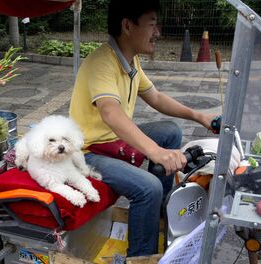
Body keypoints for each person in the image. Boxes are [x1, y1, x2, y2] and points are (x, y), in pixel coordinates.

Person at [68, 0, 217, 257]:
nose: (157, 33)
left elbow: (156, 98)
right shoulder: (101, 62)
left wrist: (199, 116)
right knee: (149, 187)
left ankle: (157, 212)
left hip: (112, 142)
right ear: (128, 26)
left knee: (170, 130)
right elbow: (110, 111)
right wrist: (156, 152)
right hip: (87, 151)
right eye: (152, 25)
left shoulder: (130, 61)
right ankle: (141, 257)